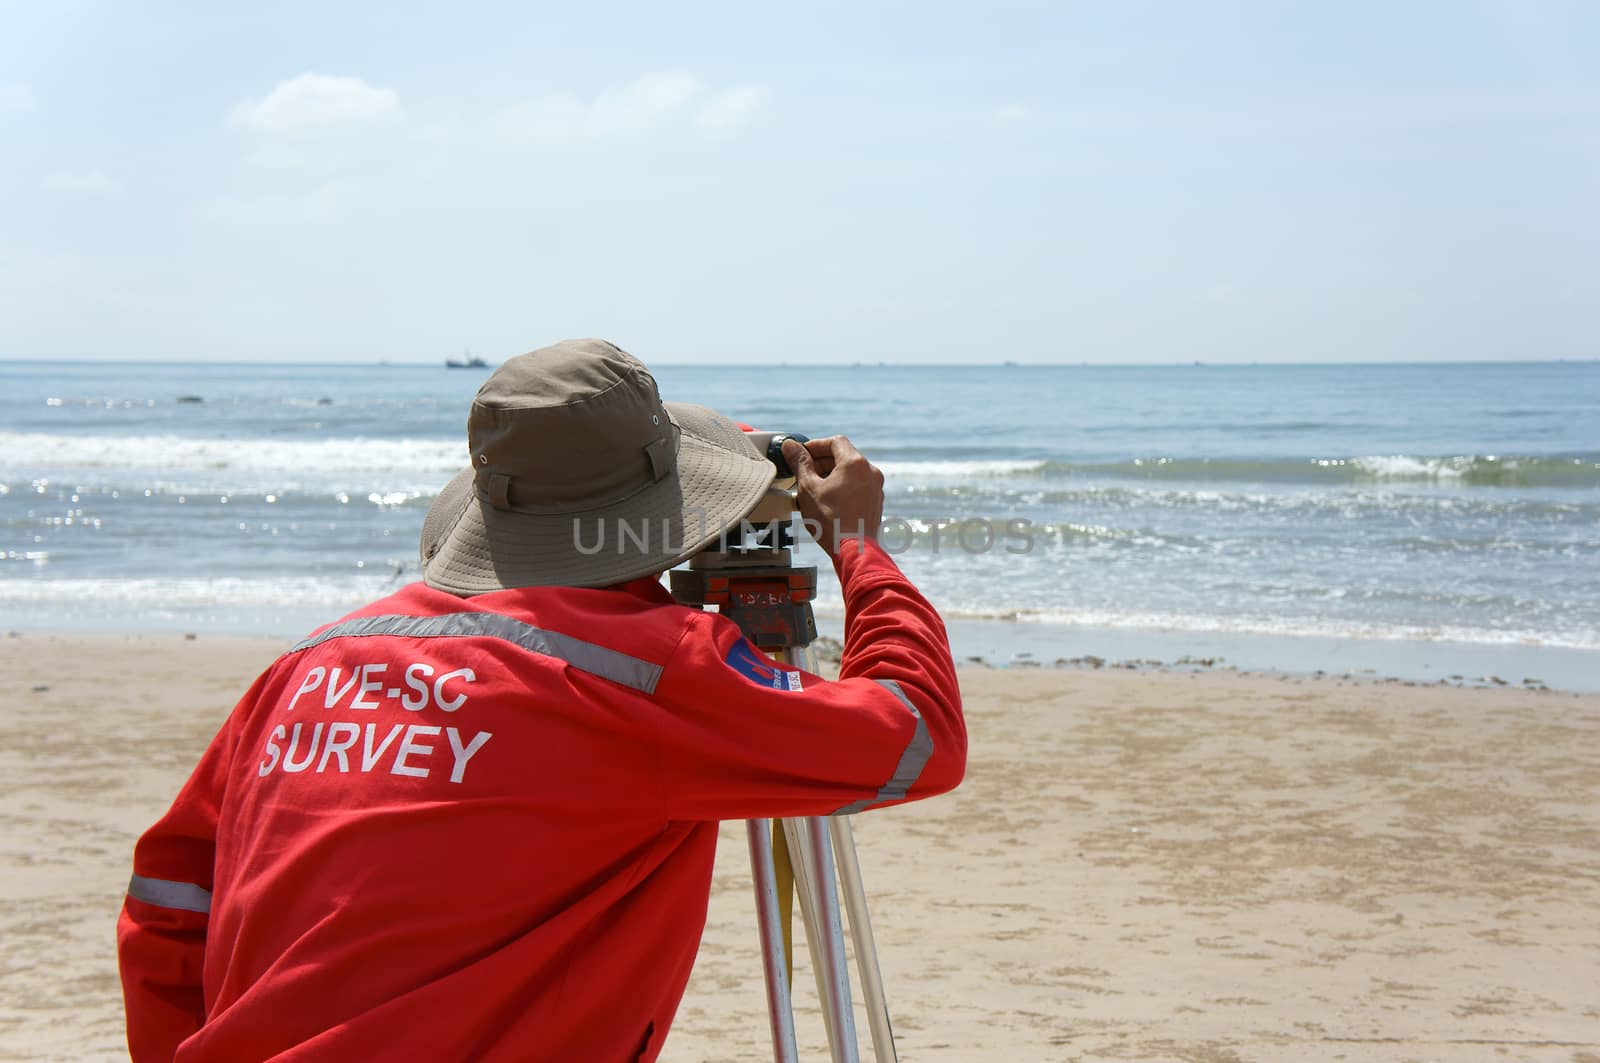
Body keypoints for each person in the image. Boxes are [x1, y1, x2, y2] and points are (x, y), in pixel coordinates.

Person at [117, 338, 965, 1061]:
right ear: (674, 507)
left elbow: (167, 900)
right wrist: (856, 546)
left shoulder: (312, 661)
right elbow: (917, 734)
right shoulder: (645, 673)